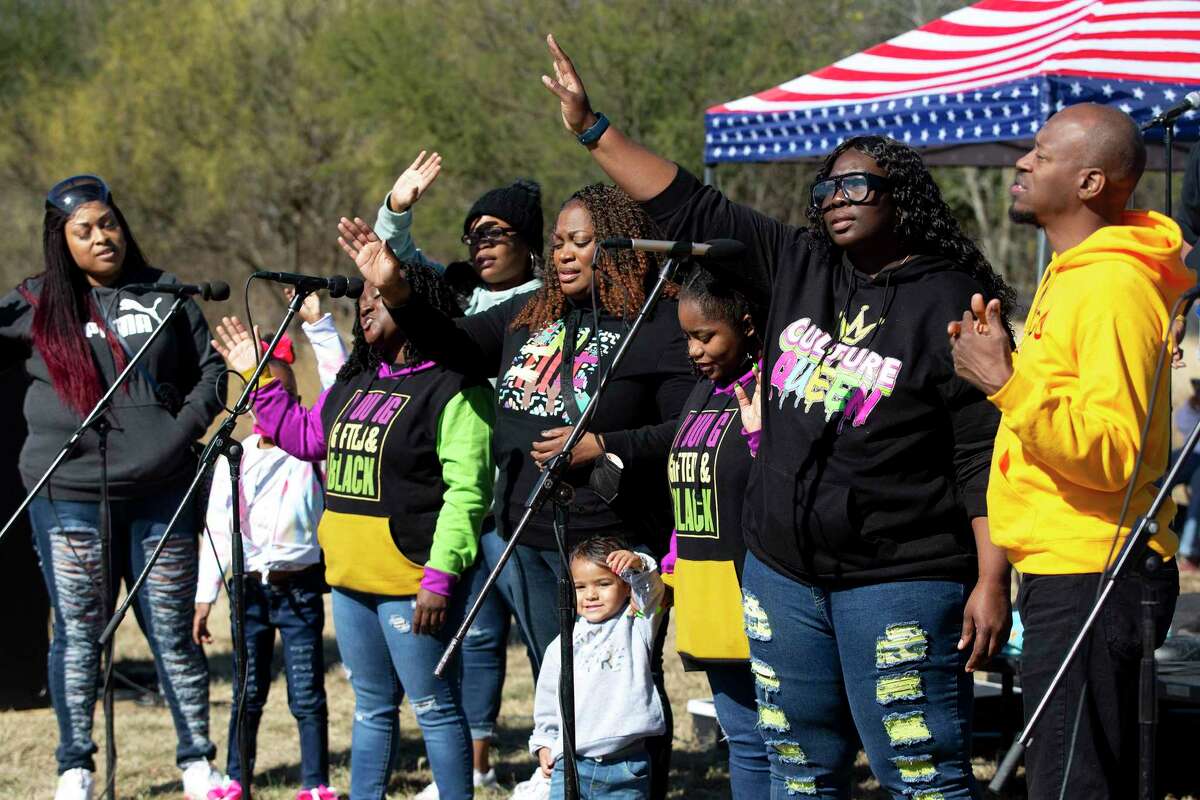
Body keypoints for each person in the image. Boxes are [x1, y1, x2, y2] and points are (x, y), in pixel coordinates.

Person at [538, 35, 1014, 799]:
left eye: (858, 186)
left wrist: (992, 578)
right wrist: (593, 128)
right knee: (799, 773)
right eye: (826, 190)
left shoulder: (949, 298)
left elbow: (976, 457)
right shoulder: (798, 264)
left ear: (902, 198)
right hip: (783, 577)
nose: (838, 200)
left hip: (899, 580)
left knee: (920, 775)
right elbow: (689, 202)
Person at [336, 181, 693, 799]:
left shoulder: (657, 324)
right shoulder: (532, 315)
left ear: (619, 247)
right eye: (558, 242)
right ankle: (565, 786)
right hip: (528, 530)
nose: (563, 253)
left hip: (612, 538)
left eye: (581, 242)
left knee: (623, 683)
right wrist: (394, 286)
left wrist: (605, 447)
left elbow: (687, 427)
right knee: (556, 675)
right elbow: (451, 344)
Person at [948, 103, 1190, 799]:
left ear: (1089, 183)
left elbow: (1112, 455)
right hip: (1065, 564)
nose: (1021, 163)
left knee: (1073, 784)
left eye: (1041, 155)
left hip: (1097, 570)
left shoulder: (1113, 286)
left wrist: (1005, 382)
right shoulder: (1075, 272)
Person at [210, 262, 494, 800]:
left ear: (412, 302)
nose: (363, 305)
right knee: (371, 708)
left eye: (378, 296)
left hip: (411, 581)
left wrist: (439, 578)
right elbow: (303, 435)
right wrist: (258, 376)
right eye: (360, 298)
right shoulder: (356, 380)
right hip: (348, 578)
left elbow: (468, 493)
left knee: (433, 709)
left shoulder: (455, 386)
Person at [0, 175, 226, 800]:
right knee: (78, 632)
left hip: (163, 493)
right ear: (61, 242)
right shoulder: (33, 303)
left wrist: (177, 435)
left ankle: (198, 764)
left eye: (109, 224)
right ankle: (75, 766)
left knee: (172, 632)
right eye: (85, 230)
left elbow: (210, 373)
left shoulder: (166, 294)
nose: (102, 237)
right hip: (67, 495)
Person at [370, 152, 544, 796]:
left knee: (537, 636)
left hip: (522, 498)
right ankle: (475, 764)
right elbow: (394, 273)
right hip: (466, 503)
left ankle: (553, 758)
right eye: (474, 235)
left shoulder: (548, 301)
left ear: (529, 241)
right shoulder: (461, 293)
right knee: (473, 640)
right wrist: (397, 207)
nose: (482, 245)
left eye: (496, 233)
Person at [194, 330, 339, 800]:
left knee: (306, 693)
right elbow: (218, 528)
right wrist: (205, 596)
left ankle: (315, 784)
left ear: (295, 400)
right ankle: (238, 778)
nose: (269, 408)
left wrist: (322, 332)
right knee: (247, 691)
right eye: (260, 398)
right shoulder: (233, 460)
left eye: (281, 396)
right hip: (248, 591)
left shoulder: (309, 455)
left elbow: (337, 388)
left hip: (298, 590)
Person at [662, 269, 769, 798]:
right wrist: (671, 561)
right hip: (704, 589)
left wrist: (757, 442)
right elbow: (692, 481)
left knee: (783, 738)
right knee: (743, 737)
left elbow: (780, 483)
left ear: (746, 326)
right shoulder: (702, 390)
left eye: (706, 336)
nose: (695, 350)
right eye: (688, 337)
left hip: (756, 586)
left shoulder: (771, 386)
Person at [530, 536, 665, 800]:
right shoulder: (560, 646)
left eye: (603, 584)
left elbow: (652, 592)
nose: (591, 594)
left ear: (626, 587)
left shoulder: (636, 625)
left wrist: (639, 565)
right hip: (569, 767)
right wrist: (544, 742)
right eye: (580, 587)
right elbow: (547, 699)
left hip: (625, 767)